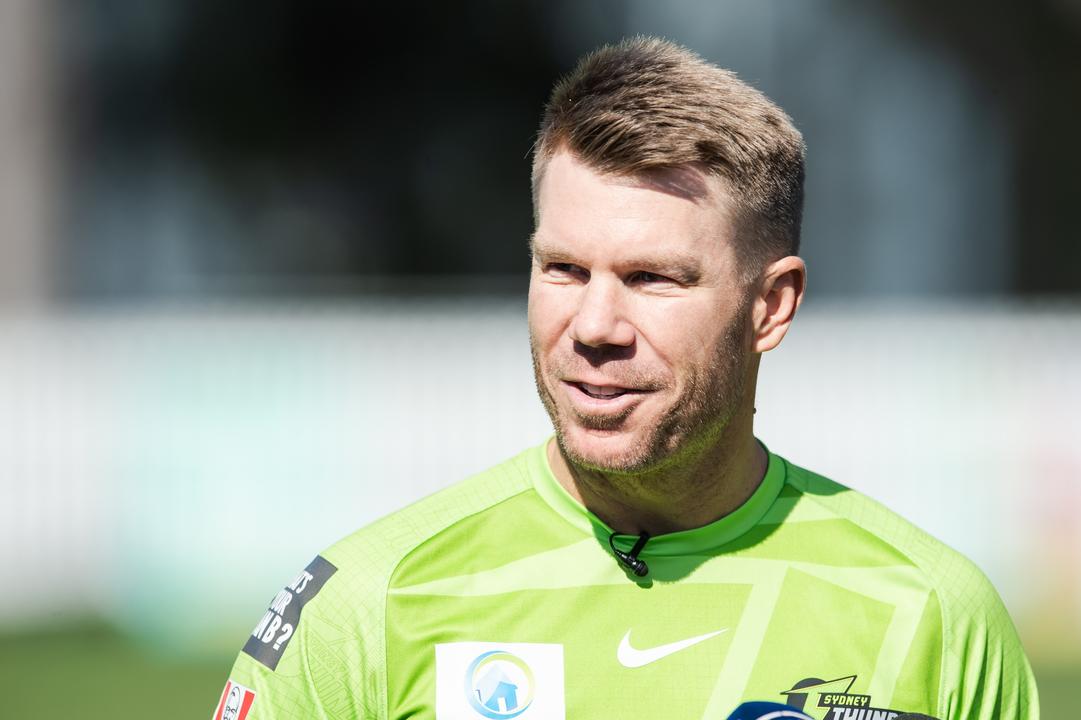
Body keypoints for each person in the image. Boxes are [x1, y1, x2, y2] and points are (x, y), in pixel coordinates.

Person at [214, 37, 1039, 720]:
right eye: (564, 269)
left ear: (772, 305)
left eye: (653, 279)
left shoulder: (932, 613)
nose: (596, 327)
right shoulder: (372, 603)